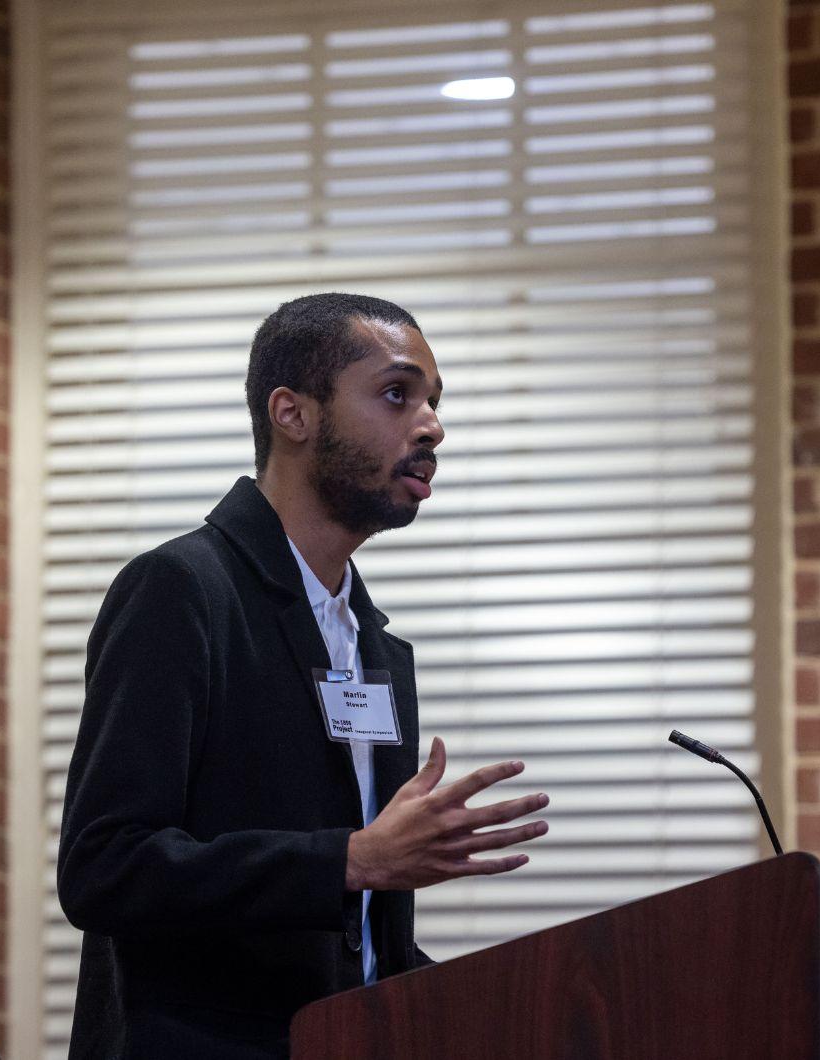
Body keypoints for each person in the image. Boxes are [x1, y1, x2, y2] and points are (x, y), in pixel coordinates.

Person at [57, 293, 547, 1059]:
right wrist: (350, 860)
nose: (432, 426)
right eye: (397, 394)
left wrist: (502, 1008)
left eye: (433, 402)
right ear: (293, 414)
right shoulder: (180, 590)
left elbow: (358, 945)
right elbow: (104, 868)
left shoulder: (375, 647)